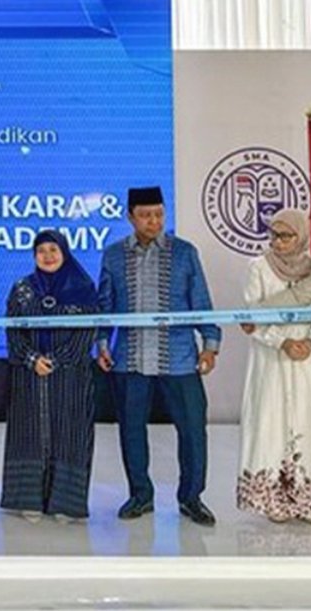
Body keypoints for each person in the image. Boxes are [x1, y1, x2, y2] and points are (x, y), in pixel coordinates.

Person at [97, 186, 221, 526]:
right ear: (130, 217)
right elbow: (105, 305)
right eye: (145, 215)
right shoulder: (113, 255)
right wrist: (102, 344)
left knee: (192, 430)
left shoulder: (184, 252)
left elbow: (200, 301)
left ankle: (191, 498)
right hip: (130, 359)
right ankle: (140, 496)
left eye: (158, 214)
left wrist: (210, 345)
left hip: (179, 357)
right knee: (131, 430)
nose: (153, 221)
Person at [2, 230, 98, 522]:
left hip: (71, 376)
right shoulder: (22, 289)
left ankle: (65, 503)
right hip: (29, 375)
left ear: (64, 252)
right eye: (41, 251)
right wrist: (32, 359)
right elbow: (12, 330)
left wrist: (56, 360)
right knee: (29, 432)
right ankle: (28, 499)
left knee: (70, 434)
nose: (47, 256)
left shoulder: (83, 287)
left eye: (53, 250)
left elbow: (87, 333)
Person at [237, 209, 311, 525]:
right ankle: (274, 499)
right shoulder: (259, 267)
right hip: (271, 358)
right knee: (271, 423)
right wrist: (282, 341)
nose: (279, 242)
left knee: (309, 424)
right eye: (274, 235)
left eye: (286, 236)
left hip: (308, 360)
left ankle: (310, 501)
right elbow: (250, 316)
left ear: (301, 236)